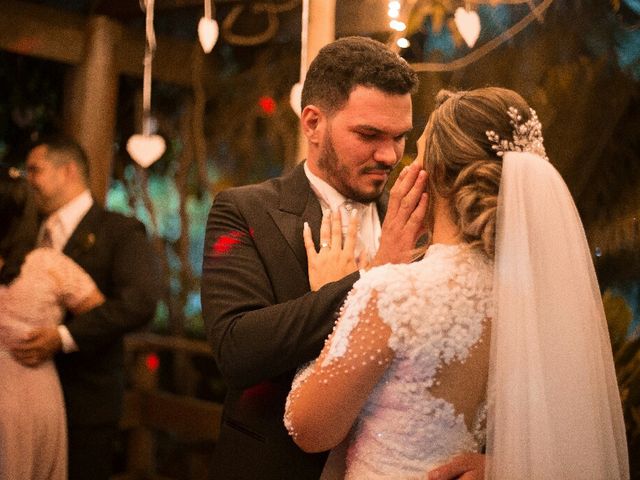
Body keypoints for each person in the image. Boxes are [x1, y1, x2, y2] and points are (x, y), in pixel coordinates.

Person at [284, 87, 630, 479]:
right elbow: (563, 438)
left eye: (417, 154)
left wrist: (330, 298)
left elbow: (309, 428)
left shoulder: (392, 292)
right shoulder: (537, 300)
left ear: (437, 176)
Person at [202, 36, 482, 479]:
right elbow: (237, 350)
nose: (389, 155)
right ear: (313, 123)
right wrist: (370, 278)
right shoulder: (244, 211)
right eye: (368, 135)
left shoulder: (427, 224)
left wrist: (492, 458)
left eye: (400, 137)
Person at [10, 136, 163, 480]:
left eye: (35, 170)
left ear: (67, 171)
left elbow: (139, 303)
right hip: (25, 399)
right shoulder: (27, 233)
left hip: (86, 399)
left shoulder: (118, 231)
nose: (28, 179)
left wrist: (64, 336)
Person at [0, 165, 105, 480]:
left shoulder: (46, 263)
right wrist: (62, 335)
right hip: (34, 392)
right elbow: (100, 314)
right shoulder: (49, 265)